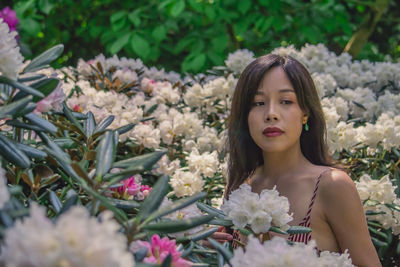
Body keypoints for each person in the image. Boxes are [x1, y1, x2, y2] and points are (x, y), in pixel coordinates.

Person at [211, 54, 381, 267]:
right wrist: (210, 249)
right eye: (258, 103)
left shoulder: (332, 185)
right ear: (245, 117)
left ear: (305, 114)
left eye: (286, 101)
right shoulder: (240, 186)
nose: (271, 114)